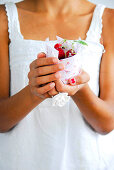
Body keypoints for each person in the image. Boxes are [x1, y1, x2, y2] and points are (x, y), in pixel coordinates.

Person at [0, 0, 114, 169]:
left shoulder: (109, 20)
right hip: (21, 161)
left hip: (86, 162)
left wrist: (80, 88)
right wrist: (34, 92)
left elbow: (107, 123)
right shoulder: (3, 18)